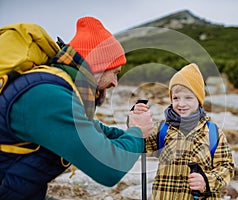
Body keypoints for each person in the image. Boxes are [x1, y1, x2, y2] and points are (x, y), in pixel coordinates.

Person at [0, 16, 153, 199]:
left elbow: (91, 129)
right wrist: (137, 131)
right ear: (100, 65)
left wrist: (130, 133)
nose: (115, 83)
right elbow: (109, 168)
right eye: (115, 72)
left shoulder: (56, 87)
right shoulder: (47, 96)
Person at [133, 63, 234, 199]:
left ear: (199, 100)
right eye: (176, 98)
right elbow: (139, 145)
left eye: (188, 98)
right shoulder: (162, 129)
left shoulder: (213, 133)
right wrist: (136, 124)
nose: (181, 104)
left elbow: (226, 167)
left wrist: (206, 181)